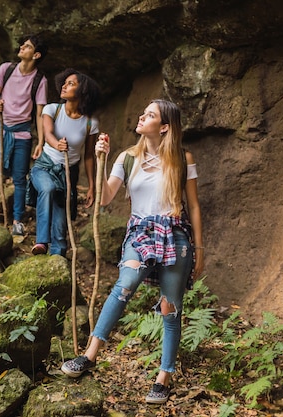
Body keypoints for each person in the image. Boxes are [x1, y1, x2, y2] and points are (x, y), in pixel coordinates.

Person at [60, 99, 205, 405]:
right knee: (124, 285)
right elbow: (104, 198)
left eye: (150, 115)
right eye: (144, 112)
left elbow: (193, 205)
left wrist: (200, 249)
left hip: (175, 234)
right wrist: (101, 159)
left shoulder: (182, 158)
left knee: (170, 307)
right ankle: (89, 354)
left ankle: (164, 377)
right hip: (140, 232)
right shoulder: (128, 157)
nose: (142, 116)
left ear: (164, 127)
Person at [0, 34, 49, 236]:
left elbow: (39, 113)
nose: (21, 47)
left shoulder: (39, 81)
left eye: (27, 46)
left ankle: (18, 219)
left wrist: (41, 141)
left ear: (36, 55)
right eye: (22, 45)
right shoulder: (6, 69)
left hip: (21, 133)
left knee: (19, 178)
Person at [29, 68, 100, 256]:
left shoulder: (90, 123)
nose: (64, 86)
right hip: (44, 166)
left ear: (82, 91)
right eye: (65, 82)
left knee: (61, 224)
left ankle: (58, 259)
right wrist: (56, 144)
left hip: (68, 174)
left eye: (71, 84)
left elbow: (89, 156)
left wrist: (92, 186)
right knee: (47, 188)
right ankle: (42, 242)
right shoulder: (52, 109)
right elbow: (48, 134)